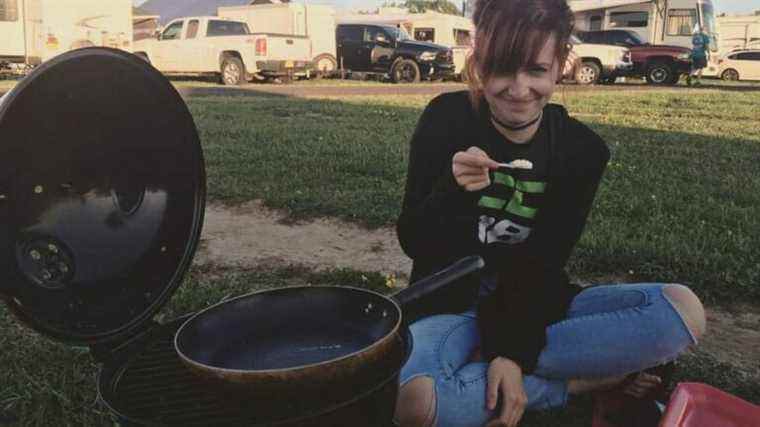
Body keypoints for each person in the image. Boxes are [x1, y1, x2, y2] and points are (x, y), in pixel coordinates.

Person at [394, 0, 707, 426]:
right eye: (502, 69)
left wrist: (510, 352)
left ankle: (482, 372)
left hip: (532, 301)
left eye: (536, 70)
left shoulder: (581, 150)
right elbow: (414, 241)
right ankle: (582, 384)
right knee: (417, 404)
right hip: (451, 307)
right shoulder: (445, 119)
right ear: (479, 65)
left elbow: (541, 262)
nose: (518, 89)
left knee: (680, 312)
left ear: (560, 64)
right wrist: (453, 191)